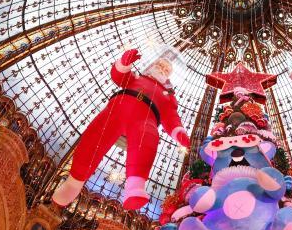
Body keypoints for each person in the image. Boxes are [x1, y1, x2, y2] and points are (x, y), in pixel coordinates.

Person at [52, 47, 189, 210]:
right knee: (93, 138)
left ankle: (135, 187)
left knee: (148, 140)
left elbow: (171, 117)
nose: (162, 69)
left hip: (146, 118)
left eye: (166, 69)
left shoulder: (168, 96)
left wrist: (179, 133)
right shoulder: (137, 77)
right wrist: (124, 64)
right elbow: (120, 77)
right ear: (153, 65)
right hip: (117, 108)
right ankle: (74, 183)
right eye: (160, 65)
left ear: (169, 75)